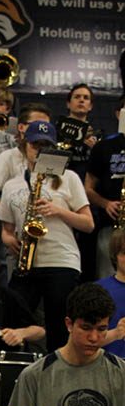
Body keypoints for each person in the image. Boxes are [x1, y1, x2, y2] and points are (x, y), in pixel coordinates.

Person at [0, 120, 93, 352]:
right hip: (27, 262)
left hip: (61, 260)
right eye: (35, 144)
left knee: (59, 326)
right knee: (11, 319)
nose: (39, 149)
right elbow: (6, 230)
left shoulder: (68, 177)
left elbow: (88, 224)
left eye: (45, 145)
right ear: (24, 146)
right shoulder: (11, 184)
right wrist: (9, 240)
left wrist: (58, 211)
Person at [84, 95, 125, 279]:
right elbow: (88, 188)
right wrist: (106, 203)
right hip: (110, 225)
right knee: (107, 277)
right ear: (118, 114)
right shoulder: (103, 147)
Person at [98, 229, 125, 357]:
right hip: (107, 367)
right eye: (124, 253)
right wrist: (116, 333)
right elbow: (83, 340)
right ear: (115, 256)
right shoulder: (98, 290)